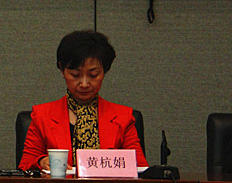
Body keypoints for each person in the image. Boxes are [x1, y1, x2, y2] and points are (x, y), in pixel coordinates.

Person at [18, 30, 148, 172]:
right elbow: (24, 166)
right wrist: (41, 161)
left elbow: (140, 168)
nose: (84, 84)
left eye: (93, 75)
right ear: (62, 70)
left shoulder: (123, 117)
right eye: (75, 75)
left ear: (104, 71)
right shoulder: (42, 115)